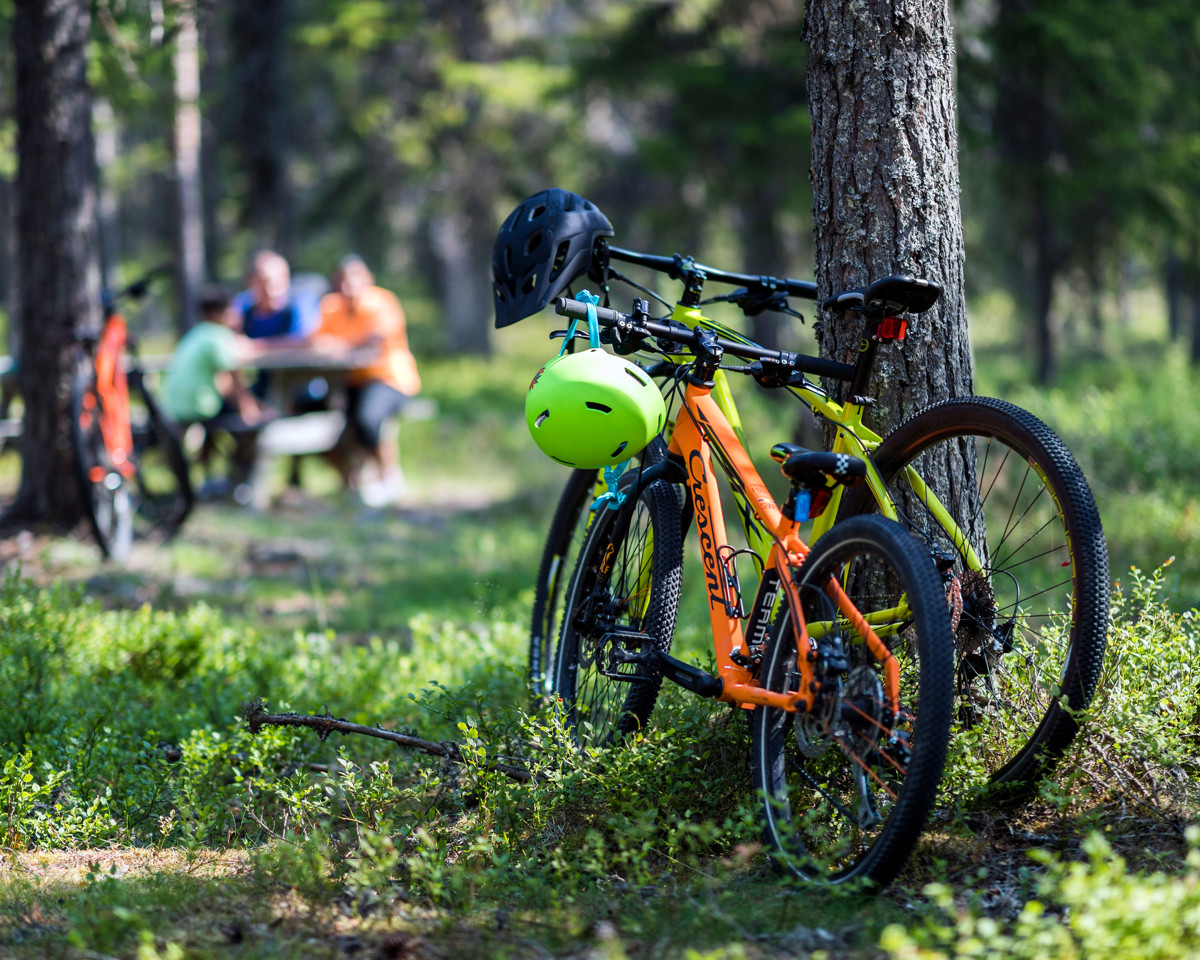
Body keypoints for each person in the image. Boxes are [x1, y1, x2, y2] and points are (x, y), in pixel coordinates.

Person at [315, 256, 421, 506]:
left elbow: (376, 339)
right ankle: (359, 478)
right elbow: (317, 340)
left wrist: (339, 346)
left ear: (368, 279)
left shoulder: (382, 302)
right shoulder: (331, 306)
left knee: (368, 420)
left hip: (389, 378)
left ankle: (387, 475)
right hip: (349, 381)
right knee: (321, 424)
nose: (348, 286)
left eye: (354, 278)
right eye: (342, 279)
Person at [162, 288, 270, 498]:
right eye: (232, 310)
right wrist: (251, 410)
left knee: (223, 429)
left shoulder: (195, 334)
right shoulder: (219, 336)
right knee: (252, 427)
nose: (236, 316)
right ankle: (241, 483)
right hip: (199, 407)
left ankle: (210, 480)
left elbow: (223, 381)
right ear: (218, 313)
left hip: (174, 406)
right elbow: (233, 378)